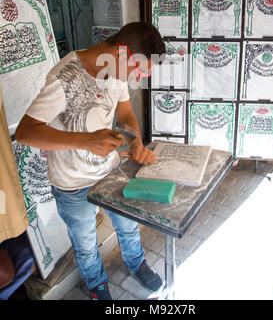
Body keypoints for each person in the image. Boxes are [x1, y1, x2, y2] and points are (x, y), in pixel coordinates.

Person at [15, 22, 166, 300]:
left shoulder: (115, 70)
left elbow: (125, 111)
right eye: (139, 70)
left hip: (110, 172)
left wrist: (135, 141)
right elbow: (25, 132)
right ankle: (97, 285)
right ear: (122, 52)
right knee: (85, 243)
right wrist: (86, 140)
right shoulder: (65, 77)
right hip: (72, 184)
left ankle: (136, 263)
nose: (137, 78)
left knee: (128, 224)